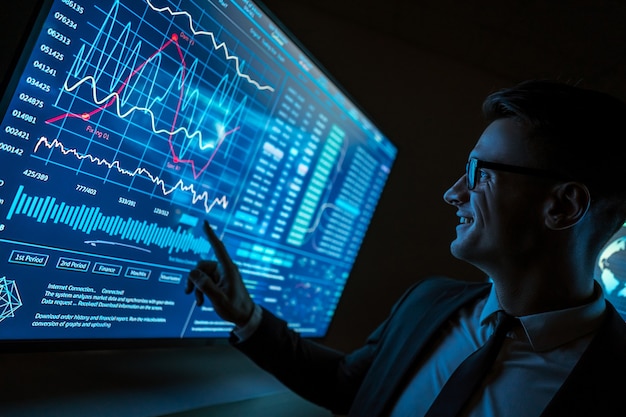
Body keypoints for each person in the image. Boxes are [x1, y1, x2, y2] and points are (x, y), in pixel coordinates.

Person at [185, 80, 626, 417]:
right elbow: (349, 386)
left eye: (479, 172)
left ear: (563, 206)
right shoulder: (427, 301)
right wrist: (248, 317)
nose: (453, 193)